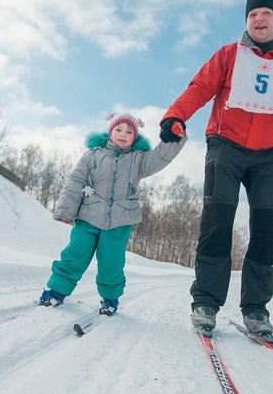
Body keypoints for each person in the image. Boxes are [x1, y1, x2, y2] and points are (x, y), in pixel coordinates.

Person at [159, 0, 273, 341]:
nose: (260, 20)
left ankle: (256, 308)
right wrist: (174, 116)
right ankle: (207, 302)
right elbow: (199, 87)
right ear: (247, 21)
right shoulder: (230, 54)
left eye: (266, 14)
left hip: (270, 155)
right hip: (226, 146)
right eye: (253, 15)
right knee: (217, 223)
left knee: (267, 231)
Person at [40, 112, 187, 315]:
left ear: (135, 137)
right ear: (110, 131)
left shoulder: (138, 159)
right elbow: (75, 182)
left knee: (112, 263)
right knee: (74, 254)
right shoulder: (92, 155)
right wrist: (66, 210)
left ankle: (109, 300)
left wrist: (173, 139)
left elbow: (159, 158)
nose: (123, 134)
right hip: (88, 217)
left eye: (128, 132)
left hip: (119, 221)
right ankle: (56, 291)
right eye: (118, 129)